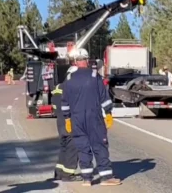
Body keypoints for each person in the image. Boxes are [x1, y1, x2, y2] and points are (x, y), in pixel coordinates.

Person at [61, 48, 121, 187]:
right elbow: (104, 97)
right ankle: (106, 177)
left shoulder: (69, 79)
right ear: (87, 60)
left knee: (83, 147)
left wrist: (67, 119)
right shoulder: (94, 76)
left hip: (76, 120)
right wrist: (108, 114)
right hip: (94, 118)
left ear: (75, 62)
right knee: (99, 145)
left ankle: (87, 178)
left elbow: (64, 103)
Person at [52, 68, 82, 182]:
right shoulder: (72, 89)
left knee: (64, 147)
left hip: (60, 122)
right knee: (72, 148)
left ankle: (59, 172)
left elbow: (55, 107)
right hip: (70, 122)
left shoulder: (58, 87)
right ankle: (68, 174)